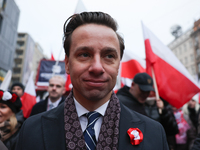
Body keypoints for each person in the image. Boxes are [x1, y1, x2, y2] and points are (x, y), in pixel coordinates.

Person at [15, 11, 169, 150]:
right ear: (67, 64)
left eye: (109, 56)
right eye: (84, 54)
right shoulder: (31, 130)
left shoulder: (154, 133)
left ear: (118, 66)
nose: (97, 67)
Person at [117, 72, 179, 149]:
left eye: (148, 91)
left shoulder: (153, 104)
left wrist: (163, 111)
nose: (145, 94)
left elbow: (172, 130)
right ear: (133, 85)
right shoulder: (120, 102)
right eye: (142, 90)